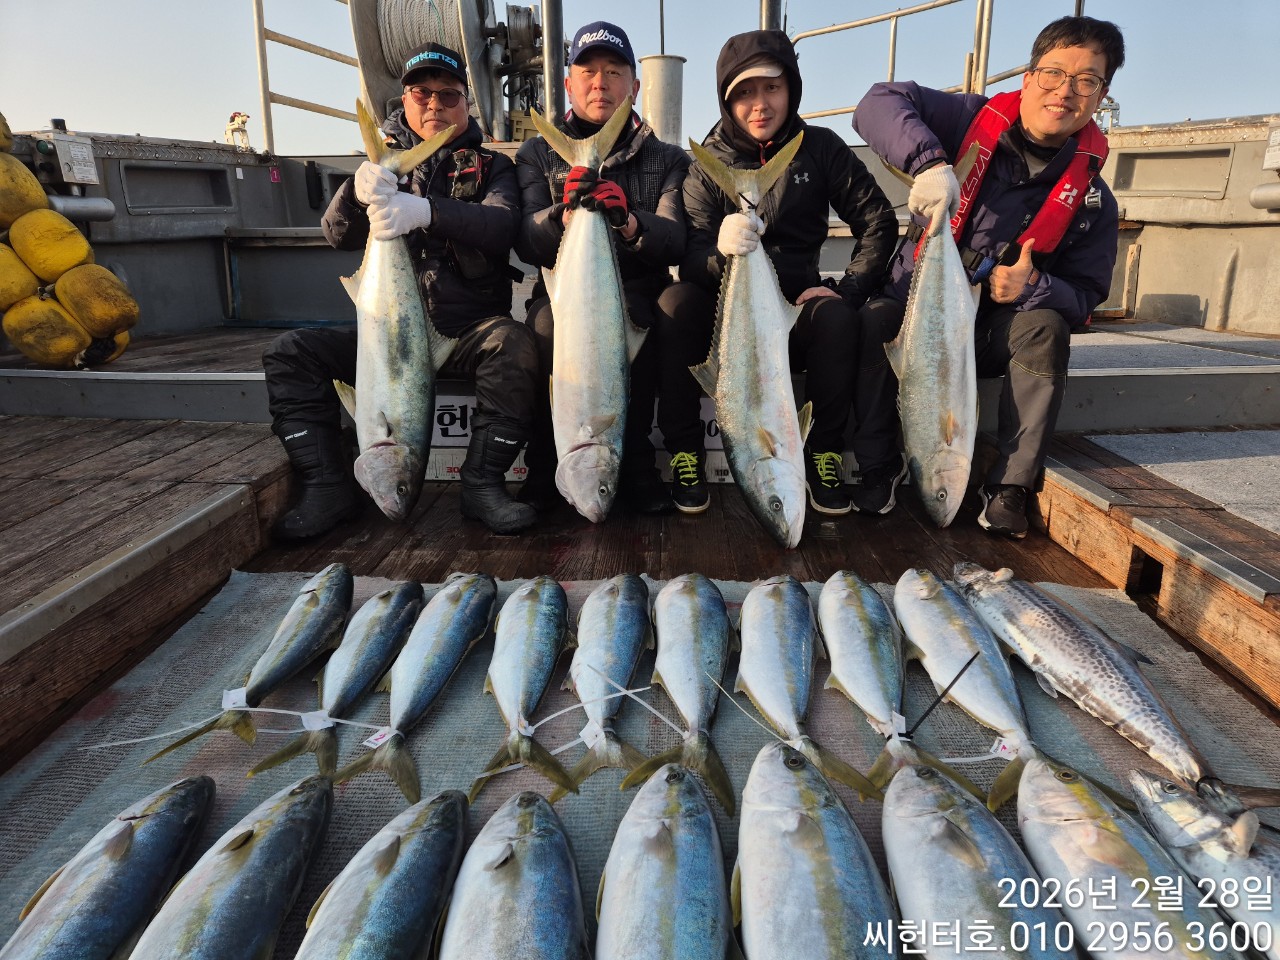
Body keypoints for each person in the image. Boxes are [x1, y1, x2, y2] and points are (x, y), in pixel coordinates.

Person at [853, 15, 1125, 537]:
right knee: (876, 319)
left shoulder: (1093, 201)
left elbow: (1088, 297)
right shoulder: (965, 121)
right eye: (1052, 73)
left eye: (1085, 80)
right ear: (1027, 78)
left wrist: (1033, 288)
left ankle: (1010, 486)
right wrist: (930, 163)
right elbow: (876, 102)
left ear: (1100, 95)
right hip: (919, 313)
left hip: (994, 330)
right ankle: (877, 467)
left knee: (1046, 326)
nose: (1065, 91)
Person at [262, 41, 538, 538]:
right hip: (384, 339)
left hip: (462, 333)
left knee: (513, 342)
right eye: (421, 93)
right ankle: (327, 486)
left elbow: (502, 227)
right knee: (291, 351)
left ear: (466, 106)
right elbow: (338, 235)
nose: (435, 104)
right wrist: (355, 191)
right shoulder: (380, 167)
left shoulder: (493, 167)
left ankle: (482, 486)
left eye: (449, 95)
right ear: (404, 102)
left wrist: (429, 212)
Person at [654, 29, 897, 516]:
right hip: (729, 310)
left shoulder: (822, 148)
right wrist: (724, 253)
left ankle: (824, 449)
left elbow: (878, 221)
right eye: (743, 93)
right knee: (674, 304)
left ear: (792, 88)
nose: (759, 104)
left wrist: (845, 290)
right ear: (727, 101)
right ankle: (685, 451)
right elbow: (692, 256)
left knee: (838, 319)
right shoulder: (705, 165)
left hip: (794, 305)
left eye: (771, 88)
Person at [515, 20, 690, 515]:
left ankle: (634, 461)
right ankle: (545, 457)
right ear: (568, 82)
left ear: (634, 85)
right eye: (588, 71)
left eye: (614, 72)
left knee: (647, 321)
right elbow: (527, 241)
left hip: (637, 286)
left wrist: (632, 223)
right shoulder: (536, 152)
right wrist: (564, 216)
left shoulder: (669, 158)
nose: (601, 82)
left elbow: (676, 239)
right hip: (562, 290)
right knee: (545, 326)